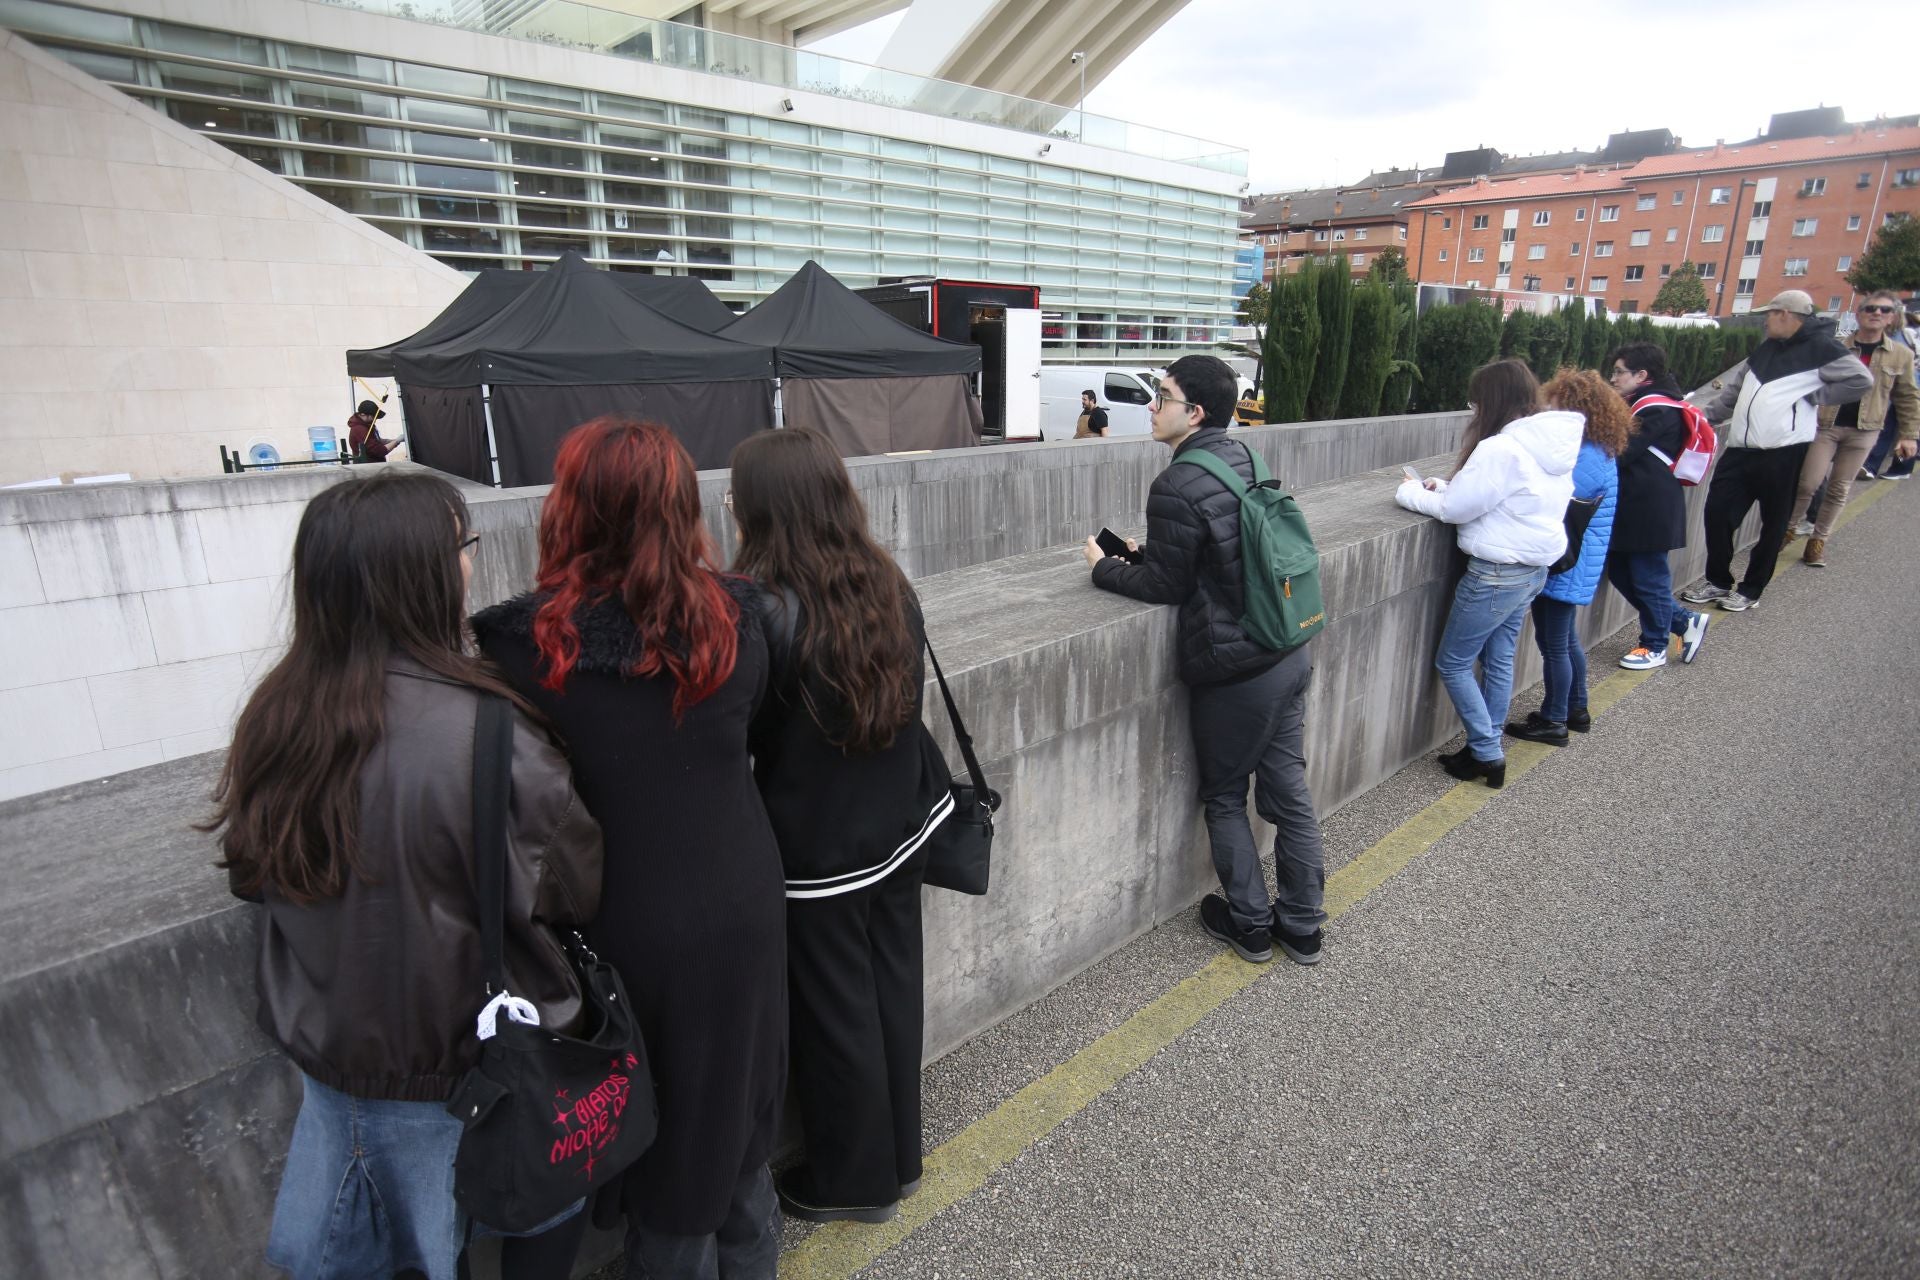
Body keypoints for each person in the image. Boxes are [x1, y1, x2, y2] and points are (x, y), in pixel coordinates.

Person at [207, 470, 604, 1280]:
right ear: (424, 572)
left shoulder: (276, 722)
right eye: (464, 547)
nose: (469, 564)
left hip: (334, 1075)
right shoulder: (494, 732)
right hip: (471, 1073)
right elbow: (571, 886)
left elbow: (251, 876)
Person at [472, 419, 786, 1280]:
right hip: (743, 901)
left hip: (623, 919)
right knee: (738, 1125)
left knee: (663, 1136)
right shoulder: (741, 622)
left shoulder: (516, 647)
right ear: (681, 506)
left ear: (569, 510)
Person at [729, 428, 953, 1227]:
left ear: (760, 508)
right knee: (893, 988)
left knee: (835, 1015)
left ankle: (856, 1182)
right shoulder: (885, 579)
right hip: (899, 826)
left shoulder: (760, 609)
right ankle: (902, 1156)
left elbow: (743, 736)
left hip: (817, 851)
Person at [1084, 354, 1328, 967]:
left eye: (1160, 396)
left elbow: (1163, 587)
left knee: (1224, 796)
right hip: (1288, 647)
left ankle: (1247, 923)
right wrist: (1160, 550)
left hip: (1237, 672)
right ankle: (1302, 925)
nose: (1150, 406)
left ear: (1192, 412)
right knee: (1288, 792)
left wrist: (1104, 567)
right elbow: (1225, 549)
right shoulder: (1246, 456)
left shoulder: (1175, 482)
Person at [1396, 359, 1580, 788]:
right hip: (1532, 570)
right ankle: (1485, 744)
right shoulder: (1547, 446)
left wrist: (1408, 493)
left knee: (1453, 662)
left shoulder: (1500, 448)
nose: (1474, 411)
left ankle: (1487, 752)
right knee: (1498, 658)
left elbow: (1457, 510)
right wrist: (1447, 486)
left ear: (1490, 401)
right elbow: (1506, 499)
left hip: (1496, 573)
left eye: (1475, 402)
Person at [1684, 290, 1871, 611]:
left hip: (1785, 452)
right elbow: (1734, 392)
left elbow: (1861, 380)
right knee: (1717, 513)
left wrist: (1816, 396)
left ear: (1786, 314)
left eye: (1769, 314)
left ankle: (1751, 590)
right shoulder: (1766, 347)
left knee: (1773, 524)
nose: (1765, 320)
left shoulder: (1822, 348)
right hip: (1741, 448)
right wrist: (1696, 417)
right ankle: (1717, 581)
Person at [1505, 370, 1622, 746]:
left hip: (1566, 562)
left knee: (1555, 644)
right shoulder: (1600, 448)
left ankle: (1554, 719)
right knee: (1567, 640)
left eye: (1554, 406)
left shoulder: (1585, 454)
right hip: (1578, 560)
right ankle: (1577, 708)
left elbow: (1555, 493)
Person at [1789, 292, 1919, 565]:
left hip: (1865, 430)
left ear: (1892, 318)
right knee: (1807, 483)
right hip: (1827, 425)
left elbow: (1907, 396)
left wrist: (1909, 435)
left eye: (1884, 310)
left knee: (1840, 488)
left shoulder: (1901, 355)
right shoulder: (1835, 347)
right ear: (1858, 314)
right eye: (1870, 308)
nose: (1877, 314)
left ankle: (1818, 540)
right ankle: (1786, 530)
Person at [1604, 343, 1712, 671]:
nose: (1613, 378)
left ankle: (1654, 645)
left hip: (1650, 510)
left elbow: (1621, 452)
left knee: (1649, 578)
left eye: (1619, 372)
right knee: (1623, 574)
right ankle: (1683, 621)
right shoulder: (1642, 403)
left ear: (1642, 375)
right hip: (1636, 508)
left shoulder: (1655, 408)